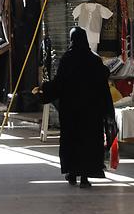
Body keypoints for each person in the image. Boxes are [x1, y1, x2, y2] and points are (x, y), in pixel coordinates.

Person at [34, 27, 115, 189]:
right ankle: (84, 178)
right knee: (88, 142)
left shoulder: (67, 59)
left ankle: (72, 172)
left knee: (72, 142)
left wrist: (43, 89)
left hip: (71, 113)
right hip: (91, 113)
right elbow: (103, 79)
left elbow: (59, 84)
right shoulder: (94, 60)